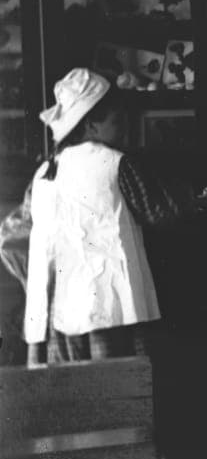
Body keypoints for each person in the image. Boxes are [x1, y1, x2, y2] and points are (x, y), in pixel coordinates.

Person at [0, 68, 193, 366]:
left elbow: (10, 235)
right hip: (109, 308)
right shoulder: (116, 163)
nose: (124, 128)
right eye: (117, 121)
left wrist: (35, 278)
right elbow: (160, 212)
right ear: (90, 123)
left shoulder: (45, 172)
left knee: (66, 396)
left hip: (55, 317)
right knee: (117, 389)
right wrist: (199, 199)